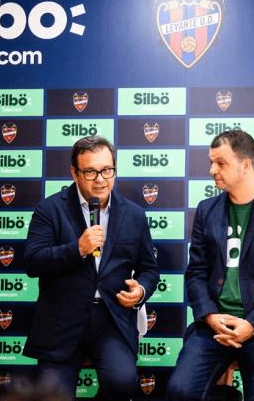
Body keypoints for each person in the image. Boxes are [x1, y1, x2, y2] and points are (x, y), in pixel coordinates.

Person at [166, 130, 254, 400]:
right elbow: (196, 272)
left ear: (246, 164)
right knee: (179, 392)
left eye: (221, 163)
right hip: (215, 326)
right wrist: (210, 316)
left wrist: (252, 325)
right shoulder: (207, 209)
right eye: (211, 162)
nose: (211, 170)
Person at [23, 135, 160, 400]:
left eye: (107, 170)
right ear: (74, 172)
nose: (100, 179)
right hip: (61, 323)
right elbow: (32, 261)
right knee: (51, 395)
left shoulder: (134, 214)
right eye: (90, 172)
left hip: (111, 320)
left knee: (122, 382)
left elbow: (149, 269)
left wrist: (141, 291)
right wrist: (77, 249)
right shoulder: (50, 209)